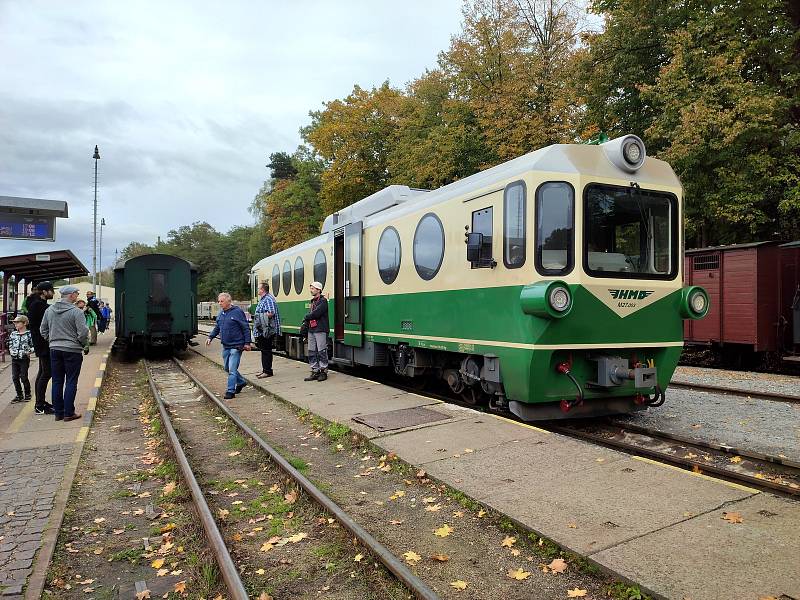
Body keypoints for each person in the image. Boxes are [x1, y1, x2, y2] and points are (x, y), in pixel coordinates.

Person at [40, 285, 89, 422]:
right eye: (76, 294)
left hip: (54, 350)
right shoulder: (76, 312)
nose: (77, 296)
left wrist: (51, 340)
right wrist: (81, 343)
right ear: (71, 295)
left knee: (57, 381)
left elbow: (43, 329)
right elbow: (83, 332)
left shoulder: (49, 310)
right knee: (71, 381)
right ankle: (68, 413)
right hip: (72, 350)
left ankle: (58, 413)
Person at [205, 292, 252, 399]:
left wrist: (247, 343)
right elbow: (218, 327)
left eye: (222, 301)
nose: (219, 303)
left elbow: (245, 328)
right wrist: (210, 337)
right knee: (227, 368)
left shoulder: (237, 312)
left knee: (232, 370)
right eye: (219, 301)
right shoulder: (221, 314)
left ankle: (230, 391)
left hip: (237, 346)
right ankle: (241, 382)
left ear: (228, 301)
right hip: (226, 346)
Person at [26, 281, 55, 415]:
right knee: (46, 373)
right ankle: (39, 405)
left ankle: (40, 402)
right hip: (43, 343)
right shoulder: (38, 305)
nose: (53, 293)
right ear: (44, 292)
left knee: (42, 372)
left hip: (41, 343)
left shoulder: (36, 303)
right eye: (51, 290)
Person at [253, 282, 281, 378]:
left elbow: (271, 313)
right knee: (264, 350)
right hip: (263, 329)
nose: (257, 290)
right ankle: (265, 370)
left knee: (266, 350)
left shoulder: (268, 299)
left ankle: (268, 371)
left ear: (262, 289)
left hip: (266, 330)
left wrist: (260, 318)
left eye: (258, 288)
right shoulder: (263, 299)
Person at [303, 281, 329, 382]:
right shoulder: (313, 301)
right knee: (311, 351)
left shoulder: (323, 301)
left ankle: (323, 371)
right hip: (312, 329)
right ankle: (315, 370)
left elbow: (316, 313)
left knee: (322, 350)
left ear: (318, 290)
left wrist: (306, 316)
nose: (311, 290)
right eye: (311, 288)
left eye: (313, 288)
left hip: (320, 329)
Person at [8, 315, 33, 403]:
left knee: (23, 376)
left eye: (17, 322)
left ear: (24, 323)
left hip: (24, 359)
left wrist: (29, 351)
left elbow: (33, 346)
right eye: (14, 322)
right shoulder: (13, 334)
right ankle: (19, 395)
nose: (15, 324)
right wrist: (11, 351)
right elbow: (10, 344)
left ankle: (28, 393)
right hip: (14, 359)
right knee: (15, 377)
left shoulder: (29, 334)